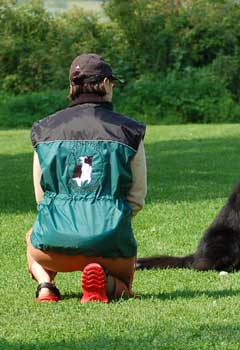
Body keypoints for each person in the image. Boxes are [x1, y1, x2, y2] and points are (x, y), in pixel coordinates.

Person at [27, 53, 147, 302]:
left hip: (53, 248)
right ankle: (107, 282)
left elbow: (42, 199)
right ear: (105, 84)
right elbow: (136, 197)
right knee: (126, 284)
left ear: (72, 87)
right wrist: (108, 223)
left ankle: (46, 285)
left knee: (32, 235)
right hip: (111, 245)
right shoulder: (130, 130)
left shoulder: (43, 130)